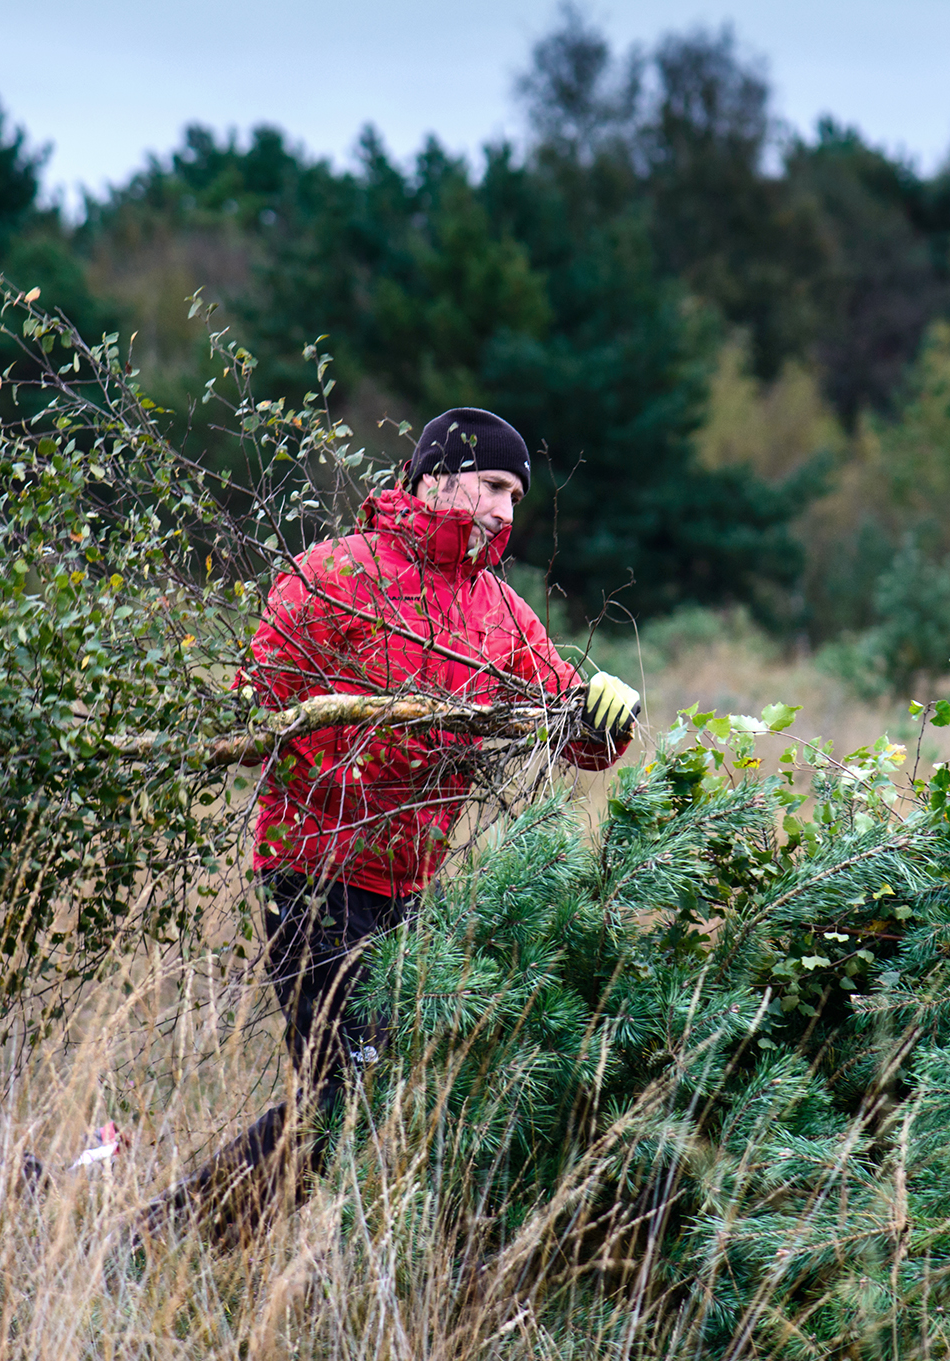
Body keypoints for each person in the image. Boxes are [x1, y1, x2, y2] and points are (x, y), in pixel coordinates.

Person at [166, 404, 640, 1236]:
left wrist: (605, 718)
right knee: (353, 1097)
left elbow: (573, 732)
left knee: (363, 1099)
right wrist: (368, 735)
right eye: (493, 485)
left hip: (407, 890)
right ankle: (161, 1242)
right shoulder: (336, 574)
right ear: (435, 477)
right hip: (310, 871)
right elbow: (252, 717)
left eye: (516, 496)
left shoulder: (499, 607)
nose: (505, 509)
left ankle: (186, 1242)